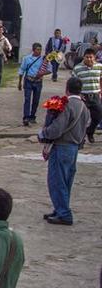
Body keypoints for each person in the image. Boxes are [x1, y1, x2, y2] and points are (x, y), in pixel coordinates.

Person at [39, 77, 90, 226]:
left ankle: (64, 213)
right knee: (66, 180)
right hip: (74, 147)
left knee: (57, 180)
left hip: (62, 146)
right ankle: (61, 208)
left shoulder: (67, 105)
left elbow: (57, 129)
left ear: (67, 89)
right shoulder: (83, 106)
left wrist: (44, 133)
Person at [71, 48, 102, 143]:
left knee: (97, 117)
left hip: (96, 95)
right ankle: (80, 138)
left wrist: (101, 92)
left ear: (94, 57)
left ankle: (90, 132)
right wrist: (78, 95)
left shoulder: (99, 67)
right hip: (83, 96)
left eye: (90, 57)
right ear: (83, 57)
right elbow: (73, 83)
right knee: (81, 118)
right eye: (87, 57)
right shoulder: (77, 68)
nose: (89, 59)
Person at [18, 43, 49, 127]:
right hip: (28, 80)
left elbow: (50, 69)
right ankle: (26, 117)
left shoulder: (44, 59)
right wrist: (19, 82)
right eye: (37, 49)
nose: (39, 51)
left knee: (36, 100)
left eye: (40, 50)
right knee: (27, 99)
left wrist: (42, 73)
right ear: (33, 50)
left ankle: (32, 116)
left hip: (38, 81)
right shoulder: (27, 58)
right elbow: (22, 70)